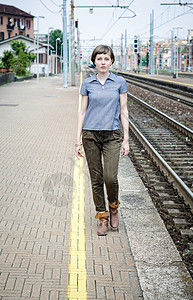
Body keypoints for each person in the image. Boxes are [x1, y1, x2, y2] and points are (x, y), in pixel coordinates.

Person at [75, 45, 129, 236]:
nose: (103, 62)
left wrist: (126, 140)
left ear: (111, 61)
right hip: (90, 135)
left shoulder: (120, 82)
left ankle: (113, 206)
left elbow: (124, 111)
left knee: (110, 178)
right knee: (96, 179)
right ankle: (103, 216)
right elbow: (82, 112)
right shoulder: (88, 84)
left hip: (112, 135)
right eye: (99, 59)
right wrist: (78, 140)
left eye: (106, 59)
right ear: (94, 62)